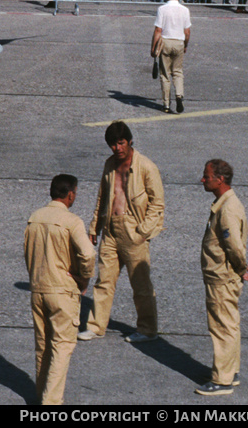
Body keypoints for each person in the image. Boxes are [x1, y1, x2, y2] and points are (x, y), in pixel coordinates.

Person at [79, 121, 164, 344]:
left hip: (133, 229)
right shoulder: (109, 165)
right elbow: (102, 197)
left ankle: (147, 329)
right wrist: (94, 227)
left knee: (140, 284)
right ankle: (96, 326)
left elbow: (158, 203)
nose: (117, 148)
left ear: (129, 141)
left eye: (121, 143)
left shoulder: (146, 166)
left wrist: (143, 231)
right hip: (110, 229)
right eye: (113, 144)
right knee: (103, 281)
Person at [24, 174, 95, 406]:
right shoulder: (71, 220)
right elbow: (88, 254)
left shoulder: (34, 218)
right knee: (62, 347)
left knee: (42, 345)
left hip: (38, 289)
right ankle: (51, 403)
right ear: (71, 194)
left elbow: (28, 253)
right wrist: (82, 279)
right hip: (62, 291)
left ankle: (40, 393)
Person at [196, 159, 248, 396]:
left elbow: (234, 247)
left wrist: (241, 268)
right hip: (224, 276)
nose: (203, 179)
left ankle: (223, 380)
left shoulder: (227, 209)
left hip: (222, 278)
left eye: (207, 176)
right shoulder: (225, 203)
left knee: (221, 327)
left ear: (221, 179)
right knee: (230, 324)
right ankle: (231, 370)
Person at [152, 0, 191, 113]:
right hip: (179, 42)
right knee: (178, 72)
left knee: (165, 74)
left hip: (166, 42)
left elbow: (158, 30)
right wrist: (185, 45)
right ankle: (179, 95)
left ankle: (166, 104)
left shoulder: (162, 9)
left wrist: (153, 48)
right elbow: (187, 32)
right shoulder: (185, 10)